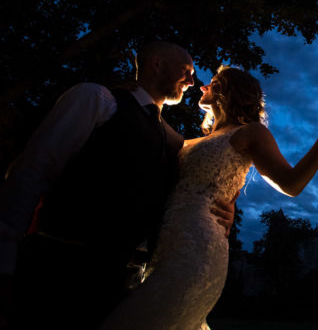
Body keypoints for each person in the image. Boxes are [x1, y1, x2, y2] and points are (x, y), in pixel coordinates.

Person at [99, 66, 318, 330]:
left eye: (213, 82)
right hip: (159, 252)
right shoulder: (187, 142)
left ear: (228, 91)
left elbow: (292, 184)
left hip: (197, 253)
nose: (202, 86)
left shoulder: (250, 132)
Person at [0, 42, 235, 330]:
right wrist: (5, 253)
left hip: (122, 280)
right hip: (58, 266)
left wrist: (223, 207)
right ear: (157, 64)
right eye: (186, 71)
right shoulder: (97, 99)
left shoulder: (175, 141)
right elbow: (33, 170)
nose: (191, 81)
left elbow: (180, 196)